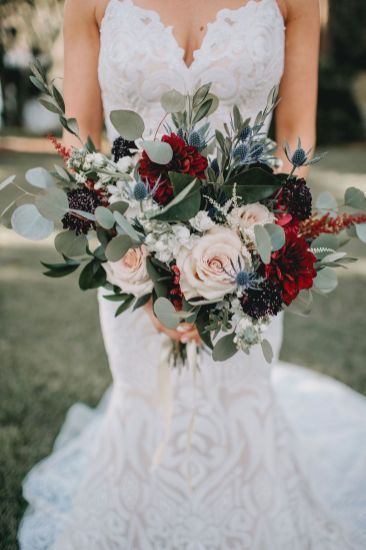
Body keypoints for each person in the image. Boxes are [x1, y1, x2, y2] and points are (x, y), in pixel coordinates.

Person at [19, 1, 366, 548]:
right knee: (145, 397)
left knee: (238, 399)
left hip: (249, 254)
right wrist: (142, 262)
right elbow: (83, 140)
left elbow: (295, 137)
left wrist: (257, 247)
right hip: (130, 252)